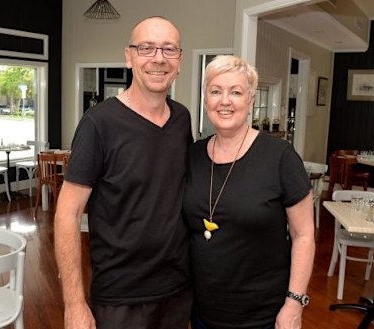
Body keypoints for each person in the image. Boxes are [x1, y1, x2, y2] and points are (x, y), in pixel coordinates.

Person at [54, 16, 193, 329]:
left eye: (169, 49)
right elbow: (67, 214)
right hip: (120, 296)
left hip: (178, 289)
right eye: (147, 48)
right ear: (129, 56)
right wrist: (74, 303)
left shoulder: (182, 119)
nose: (159, 58)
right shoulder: (98, 124)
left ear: (179, 60)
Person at [182, 55, 315, 329]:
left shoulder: (280, 157)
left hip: (262, 315)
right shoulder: (193, 154)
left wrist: (294, 303)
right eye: (216, 91)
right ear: (205, 99)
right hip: (202, 311)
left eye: (236, 92)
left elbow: (304, 235)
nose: (225, 101)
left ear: (251, 100)